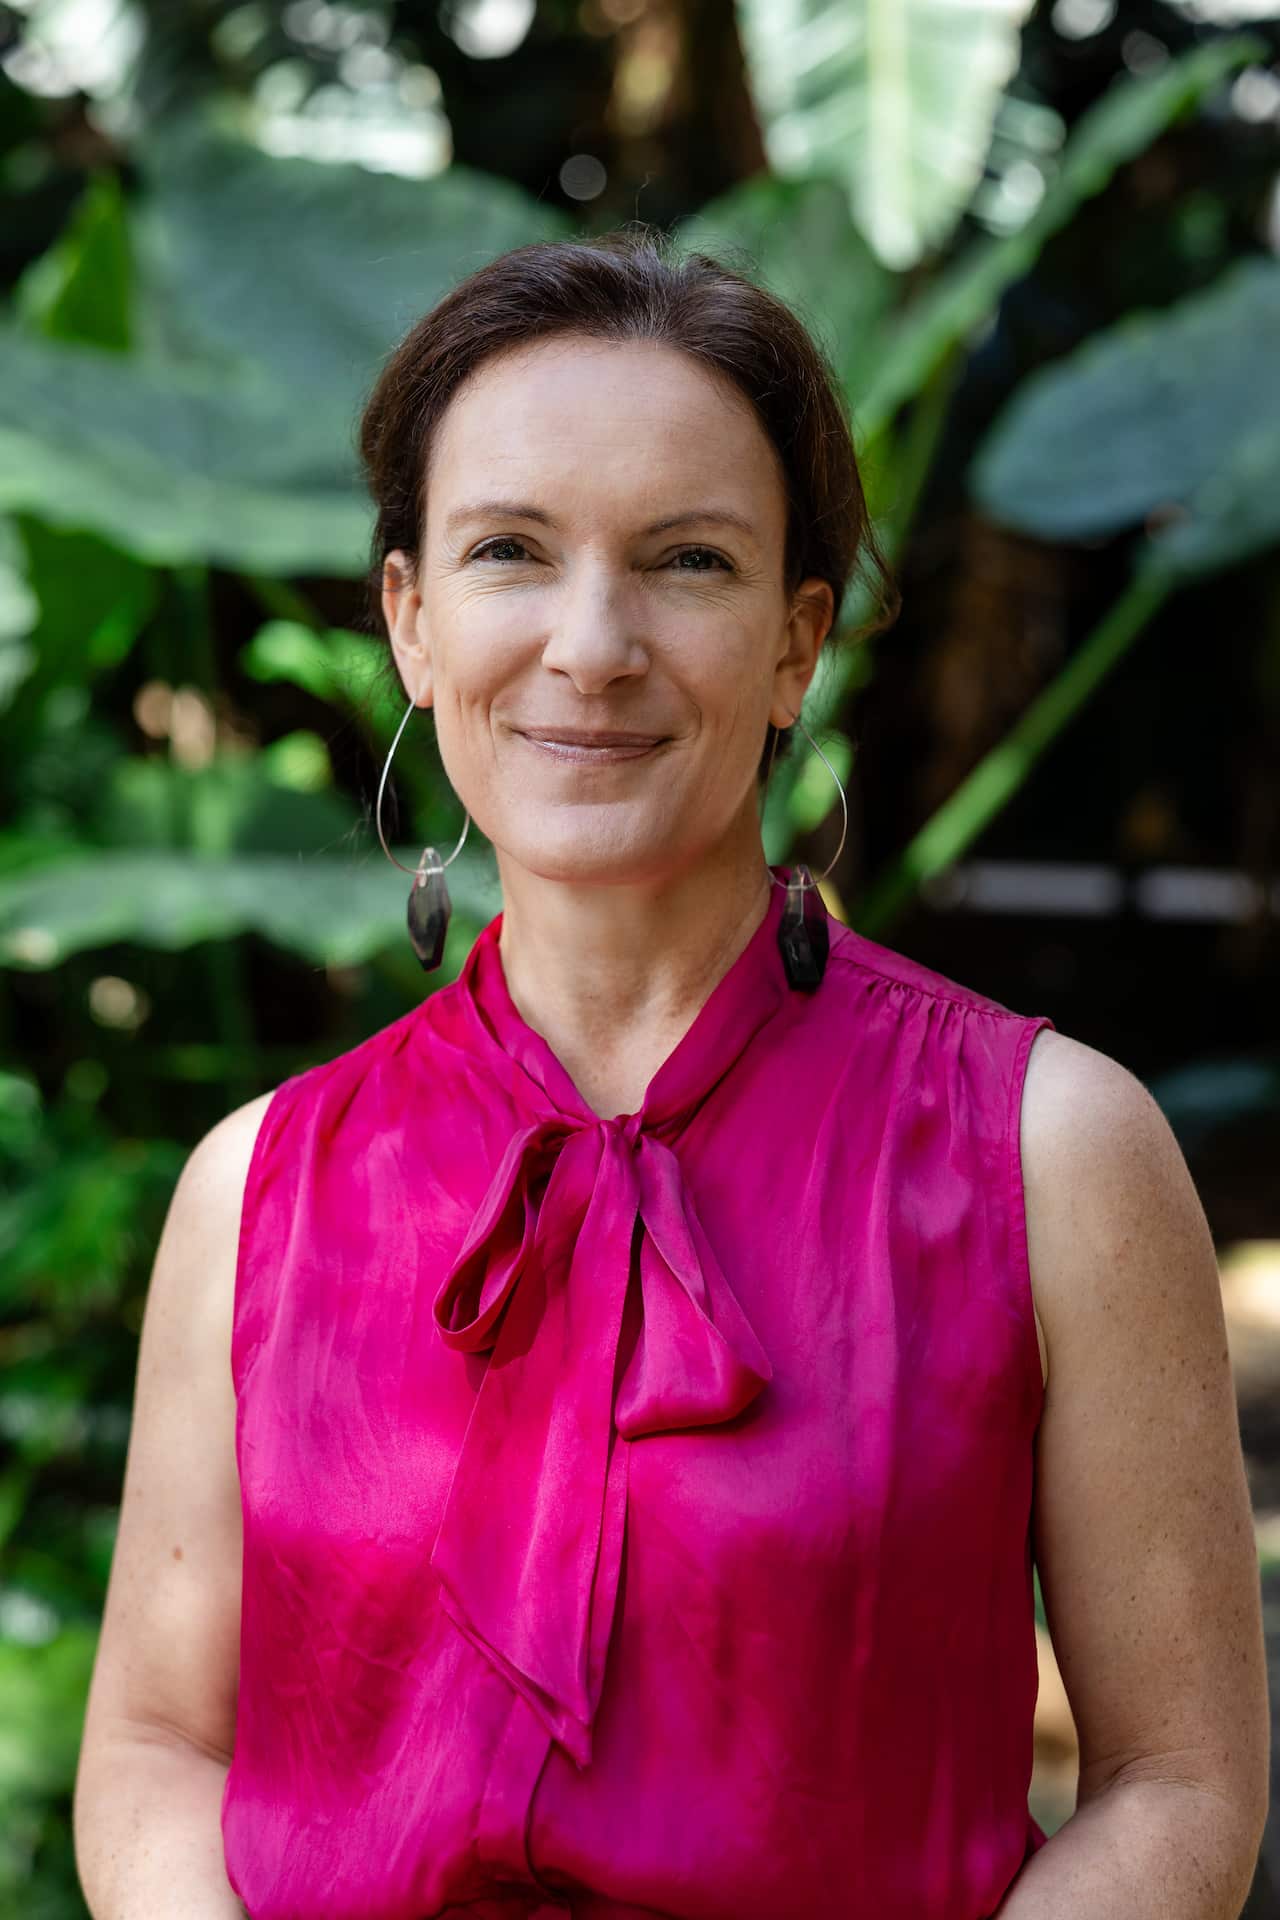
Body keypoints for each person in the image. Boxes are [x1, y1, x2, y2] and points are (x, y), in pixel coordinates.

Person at [73, 229, 1268, 1920]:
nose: (592, 642)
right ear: (411, 621)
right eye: (509, 552)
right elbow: (154, 1750)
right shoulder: (255, 1186)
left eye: (686, 563)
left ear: (797, 643)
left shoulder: (1050, 1151)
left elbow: (1181, 1787)